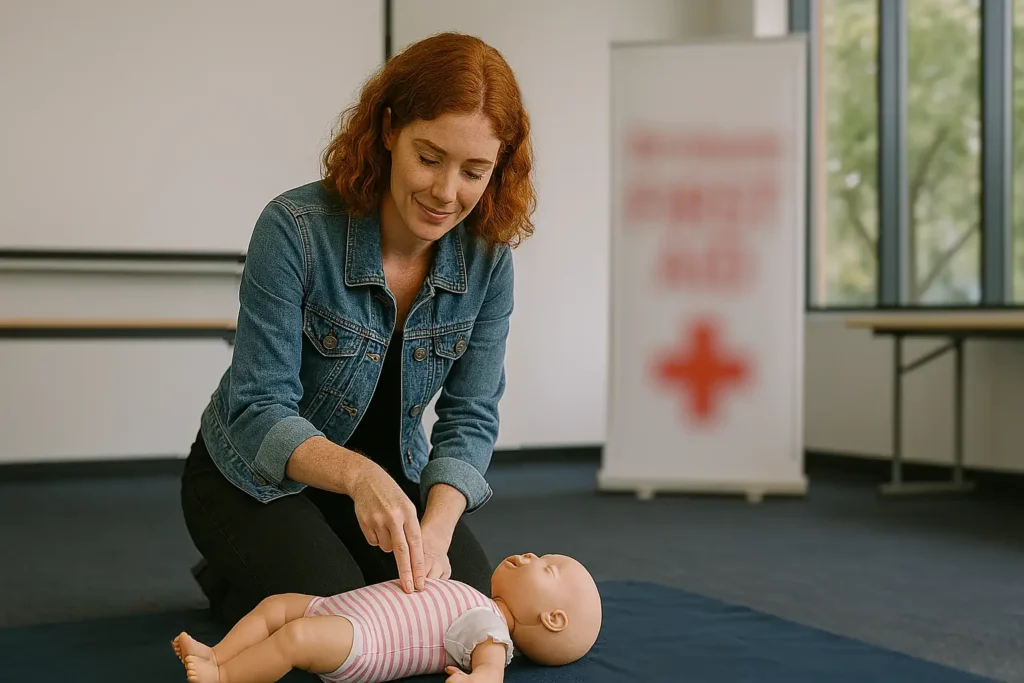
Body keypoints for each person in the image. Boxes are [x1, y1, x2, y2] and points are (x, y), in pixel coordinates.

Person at [179, 31, 536, 628]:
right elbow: (258, 406)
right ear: (390, 128)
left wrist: (437, 531)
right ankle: (241, 572)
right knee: (344, 621)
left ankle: (278, 577)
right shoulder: (293, 228)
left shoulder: (488, 260)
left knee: (460, 614)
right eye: (429, 157)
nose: (447, 193)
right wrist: (358, 474)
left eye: (474, 170)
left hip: (386, 487)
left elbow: (470, 416)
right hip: (254, 478)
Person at [171, 552, 603, 683]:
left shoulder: (490, 626)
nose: (530, 555)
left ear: (553, 619)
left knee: (297, 637)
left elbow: (490, 667)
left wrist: (476, 681)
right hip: (345, 606)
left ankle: (226, 677)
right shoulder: (476, 596)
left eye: (546, 567)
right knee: (275, 606)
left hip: (365, 640)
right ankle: (215, 653)